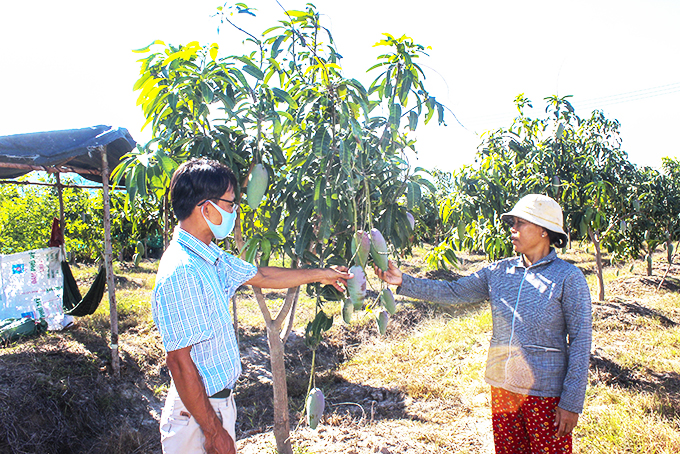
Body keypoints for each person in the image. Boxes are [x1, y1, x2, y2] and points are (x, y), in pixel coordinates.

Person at [151, 158, 352, 454]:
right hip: (196, 417)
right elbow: (180, 364)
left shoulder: (208, 256)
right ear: (206, 208)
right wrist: (213, 430)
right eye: (231, 205)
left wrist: (323, 274)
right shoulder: (182, 270)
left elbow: (261, 275)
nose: (234, 212)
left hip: (212, 407)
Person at [374, 194, 592, 454]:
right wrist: (404, 282)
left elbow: (580, 341)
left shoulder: (568, 277)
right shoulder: (499, 271)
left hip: (545, 395)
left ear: (544, 231)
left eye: (520, 222)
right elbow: (453, 292)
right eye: (512, 222)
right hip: (503, 390)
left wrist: (571, 402)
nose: (513, 228)